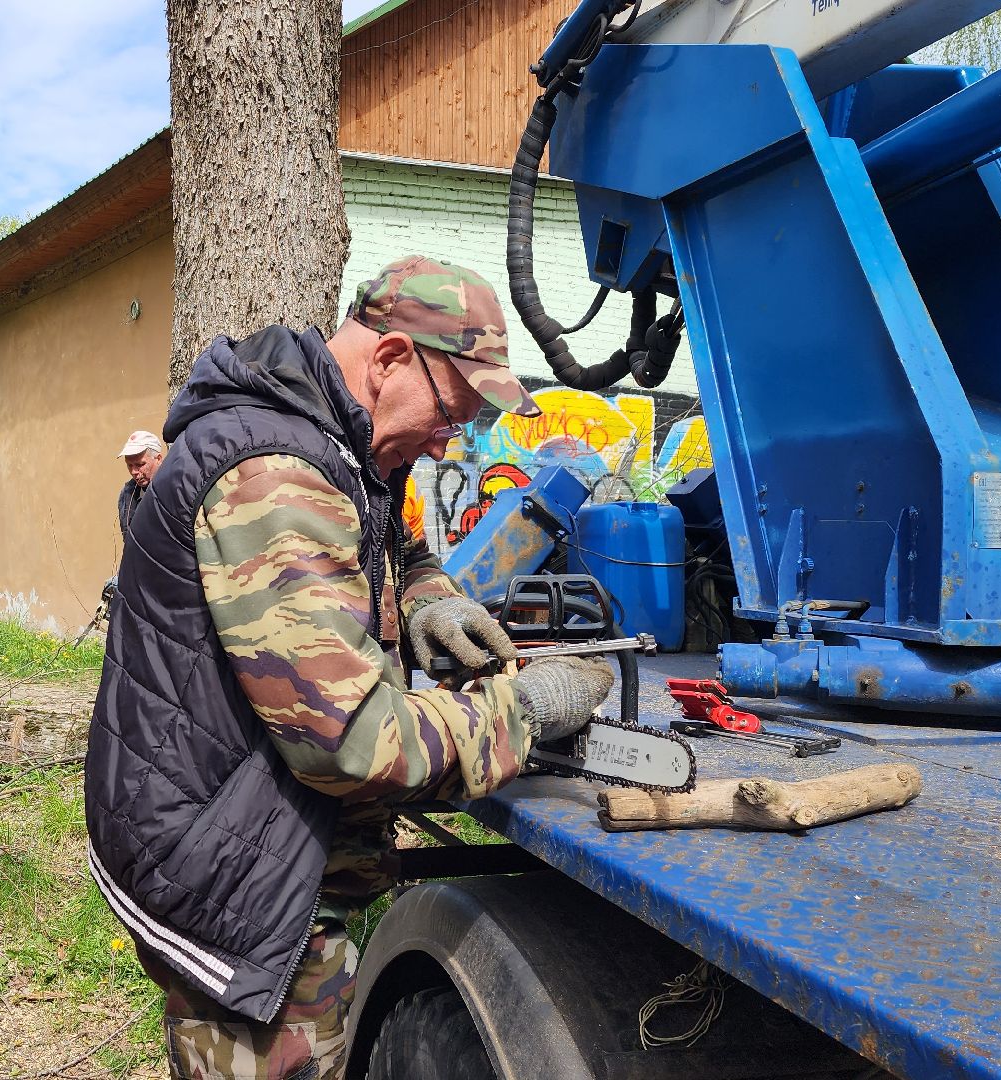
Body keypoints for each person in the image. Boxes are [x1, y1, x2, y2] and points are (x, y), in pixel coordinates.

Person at [85, 256, 617, 1079]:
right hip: (231, 870)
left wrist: (433, 597)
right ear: (393, 357)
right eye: (455, 411)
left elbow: (395, 542)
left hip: (252, 827)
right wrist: (529, 709)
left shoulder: (340, 439)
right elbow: (354, 743)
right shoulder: (274, 480)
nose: (455, 439)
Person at [116, 429, 165, 537]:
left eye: (140, 464)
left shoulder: (175, 487)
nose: (134, 472)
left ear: (158, 459)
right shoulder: (127, 494)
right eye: (130, 465)